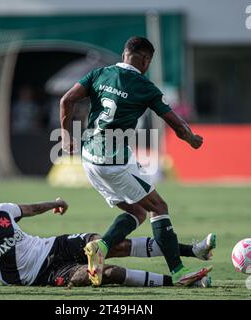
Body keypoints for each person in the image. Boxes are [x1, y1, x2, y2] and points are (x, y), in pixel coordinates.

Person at [59, 36, 212, 287]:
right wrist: (192, 138)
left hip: (89, 159)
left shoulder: (99, 74)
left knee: (137, 211)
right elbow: (175, 122)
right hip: (113, 163)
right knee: (158, 207)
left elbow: (66, 100)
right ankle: (178, 271)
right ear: (145, 60)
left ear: (124, 54)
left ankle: (102, 247)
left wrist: (65, 136)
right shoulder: (145, 86)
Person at [0, 186, 215, 289]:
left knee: (106, 243)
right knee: (106, 276)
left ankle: (192, 252)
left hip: (51, 246)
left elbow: (30, 208)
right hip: (42, 275)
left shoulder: (2, 211)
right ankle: (181, 282)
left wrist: (56, 203)